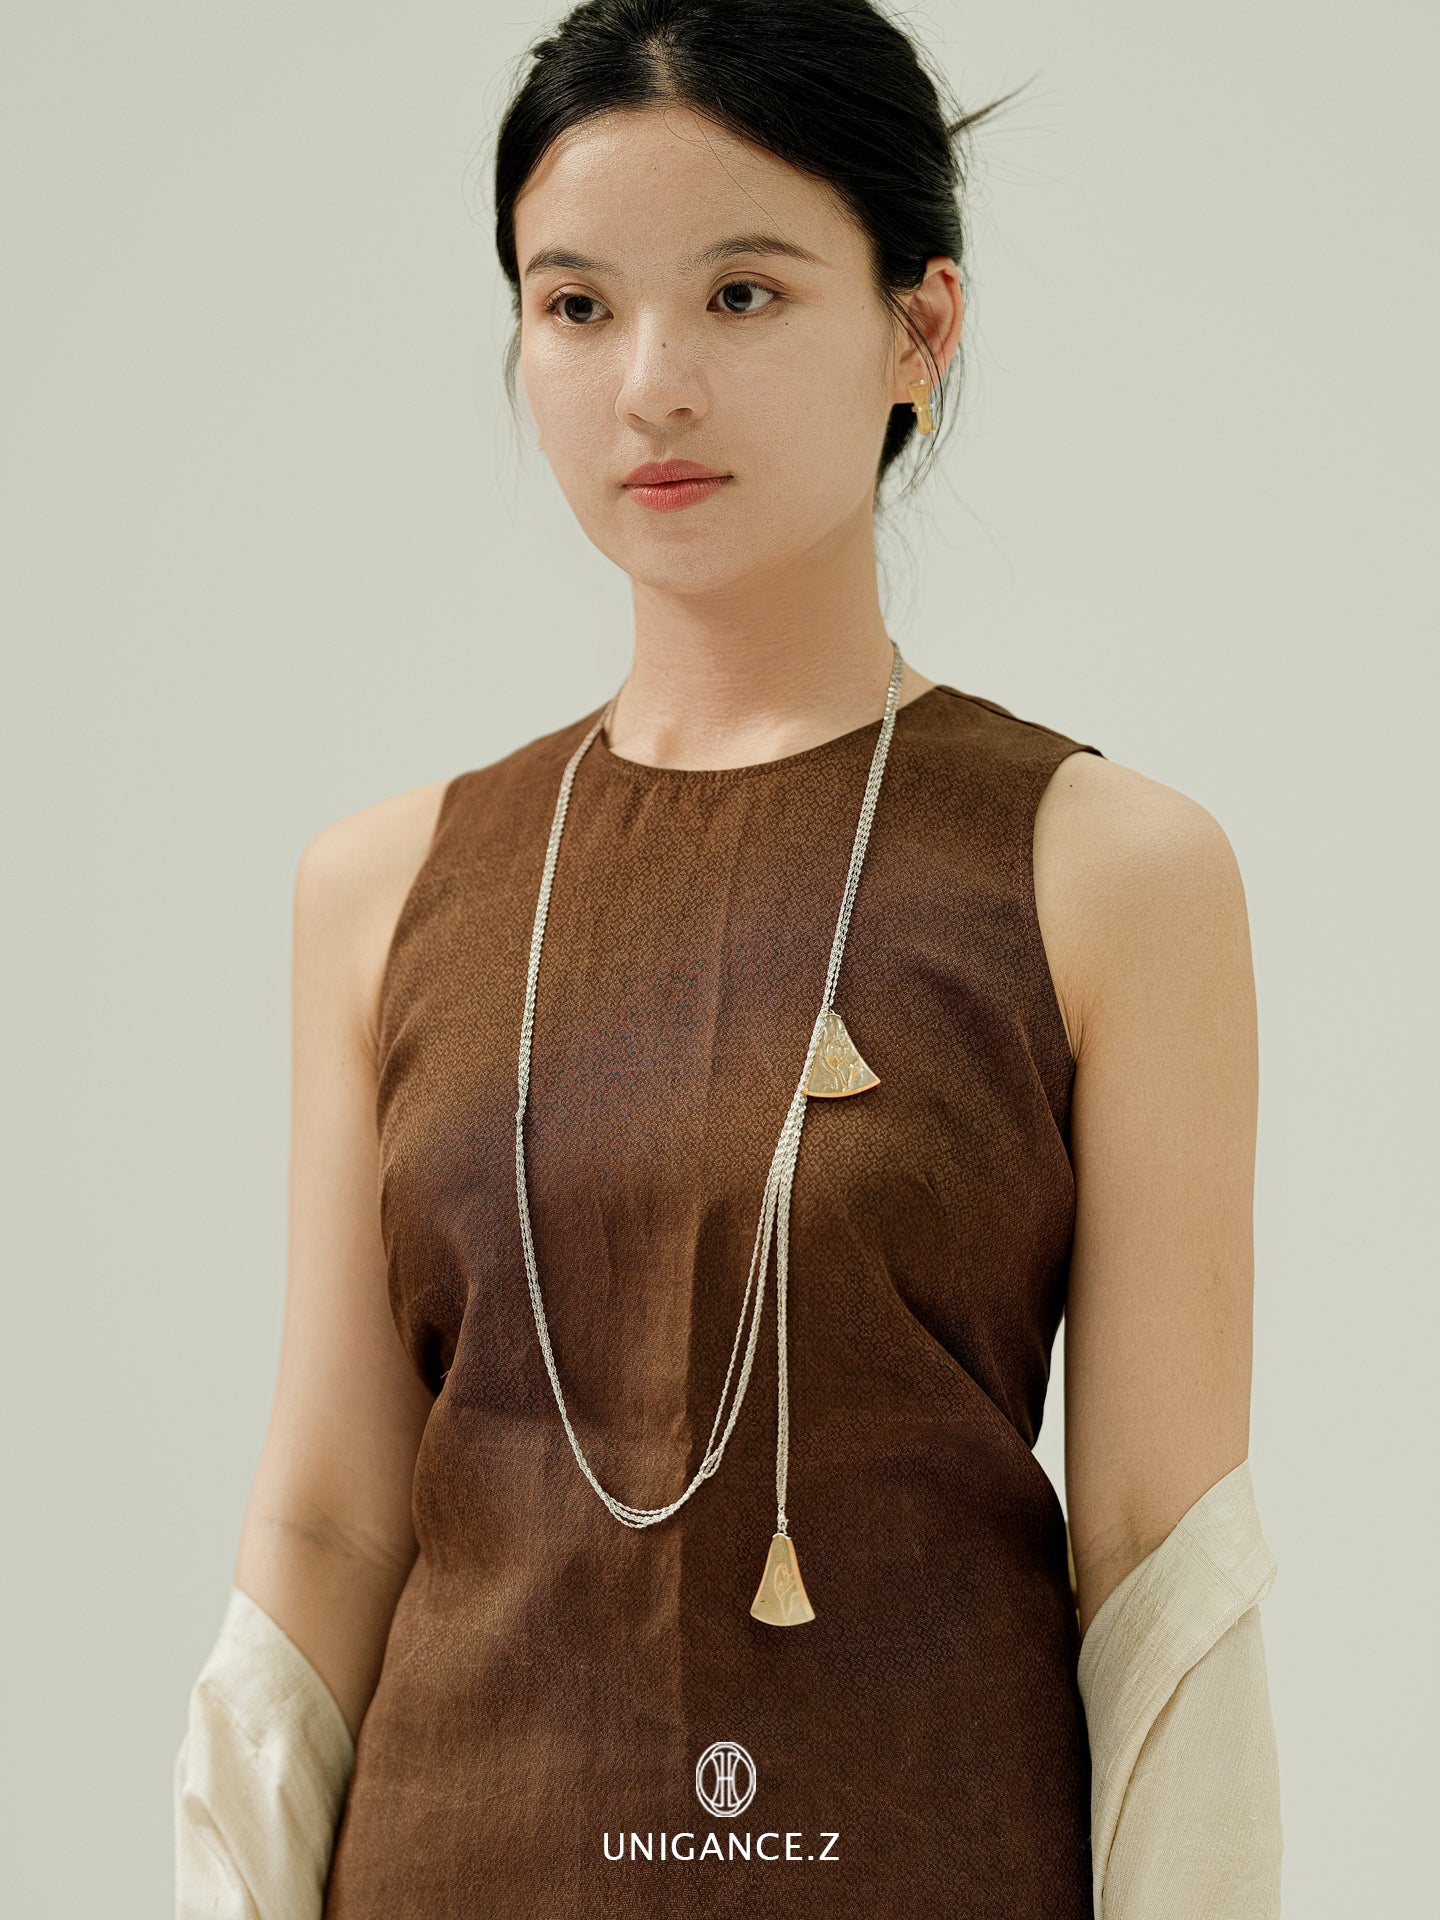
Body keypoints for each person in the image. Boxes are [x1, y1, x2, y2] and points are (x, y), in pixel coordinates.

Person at [174, 3, 1282, 1916]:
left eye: (745, 296)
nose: (650, 388)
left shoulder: (1112, 871)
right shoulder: (385, 884)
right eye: (576, 305)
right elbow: (332, 1518)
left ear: (920, 328)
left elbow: (1158, 1560)